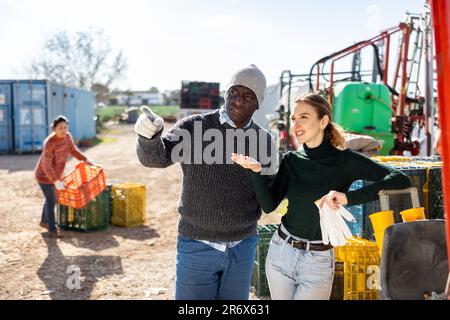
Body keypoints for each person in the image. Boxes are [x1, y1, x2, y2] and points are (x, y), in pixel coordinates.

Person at [231, 93, 411, 300]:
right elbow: (269, 205)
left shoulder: (346, 161)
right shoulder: (291, 160)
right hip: (281, 252)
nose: (296, 124)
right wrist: (255, 171)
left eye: (304, 117)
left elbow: (400, 178)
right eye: (293, 119)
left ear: (323, 121)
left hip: (318, 261)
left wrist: (347, 198)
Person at [134, 65, 276, 300]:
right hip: (197, 244)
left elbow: (269, 193)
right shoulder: (194, 127)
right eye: (234, 92)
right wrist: (148, 137)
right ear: (226, 93)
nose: (239, 100)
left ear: (258, 103)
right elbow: (156, 158)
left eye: (248, 95)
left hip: (242, 246)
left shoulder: (264, 140)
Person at [35, 115, 94, 238]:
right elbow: (46, 165)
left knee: (50, 198)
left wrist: (85, 159)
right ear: (54, 129)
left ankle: (44, 221)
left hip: (56, 176)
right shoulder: (49, 143)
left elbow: (73, 150)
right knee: (52, 201)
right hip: (44, 176)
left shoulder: (67, 137)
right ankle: (52, 229)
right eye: (60, 128)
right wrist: (55, 181)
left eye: (65, 127)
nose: (63, 130)